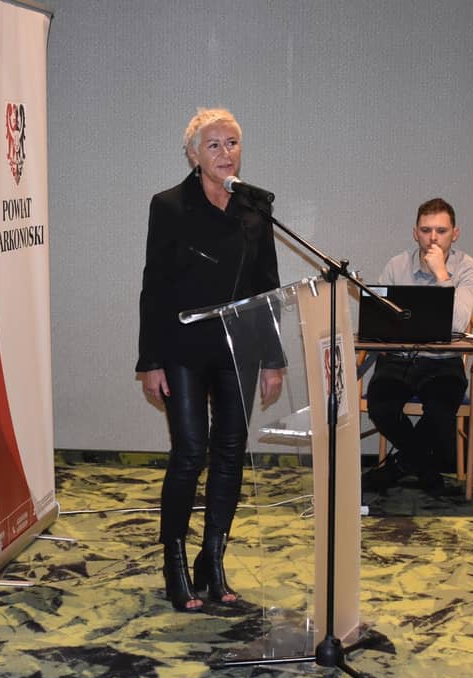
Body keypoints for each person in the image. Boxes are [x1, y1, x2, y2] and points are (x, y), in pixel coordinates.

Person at [136, 108, 285, 612]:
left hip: (238, 349)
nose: (226, 153)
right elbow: (154, 287)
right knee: (189, 452)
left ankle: (212, 559)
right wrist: (150, 360)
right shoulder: (169, 206)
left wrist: (273, 359)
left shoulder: (255, 207)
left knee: (230, 451)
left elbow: (267, 286)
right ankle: (174, 561)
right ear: (193, 155)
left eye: (233, 143)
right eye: (214, 145)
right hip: (182, 346)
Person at [364, 197, 473, 495]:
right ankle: (423, 468)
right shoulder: (396, 265)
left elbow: (458, 324)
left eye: (441, 231)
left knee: (441, 413)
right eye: (426, 230)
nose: (433, 238)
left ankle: (397, 468)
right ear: (415, 233)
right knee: (381, 406)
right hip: (398, 359)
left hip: (443, 361)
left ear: (455, 234)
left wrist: (442, 275)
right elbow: (377, 322)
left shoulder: (468, 267)